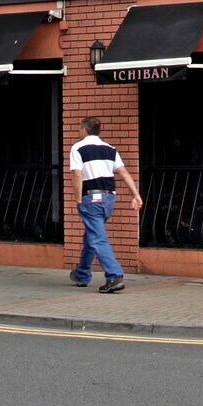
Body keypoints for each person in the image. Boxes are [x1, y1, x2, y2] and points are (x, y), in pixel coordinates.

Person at [68, 116, 142, 292]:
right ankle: (82, 274)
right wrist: (135, 195)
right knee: (92, 235)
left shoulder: (78, 147)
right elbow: (123, 172)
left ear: (84, 130)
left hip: (90, 198)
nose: (79, 131)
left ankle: (114, 276)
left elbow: (77, 174)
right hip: (108, 199)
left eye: (79, 128)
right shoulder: (110, 149)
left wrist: (78, 199)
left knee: (97, 237)